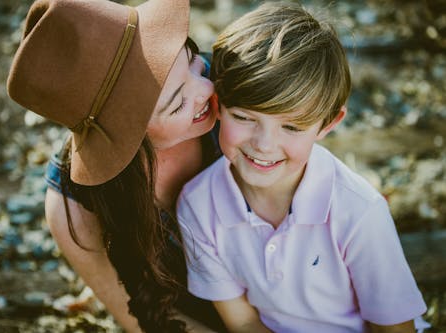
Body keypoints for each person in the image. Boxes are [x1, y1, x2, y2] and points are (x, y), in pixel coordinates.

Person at [177, 2, 428, 333]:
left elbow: (394, 328)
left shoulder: (358, 211)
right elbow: (244, 322)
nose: (264, 144)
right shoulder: (197, 204)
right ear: (217, 104)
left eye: (291, 127)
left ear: (327, 124)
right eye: (243, 117)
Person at [7, 0, 225, 332]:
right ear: (126, 138)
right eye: (179, 101)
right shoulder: (75, 208)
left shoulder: (235, 87)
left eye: (193, 61)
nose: (208, 88)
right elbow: (148, 320)